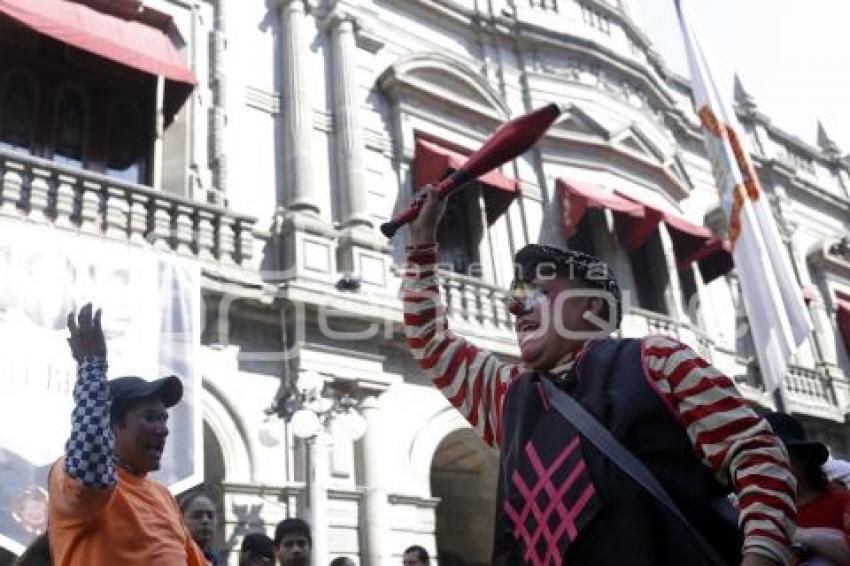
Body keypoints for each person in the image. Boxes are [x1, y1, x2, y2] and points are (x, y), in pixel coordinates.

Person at [402, 187, 797, 565]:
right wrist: (421, 245)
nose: (515, 309)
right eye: (515, 299)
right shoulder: (508, 396)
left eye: (536, 293)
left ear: (590, 307)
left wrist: (761, 556)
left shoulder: (658, 361)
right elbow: (430, 342)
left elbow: (756, 453)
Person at [47, 304, 206, 565]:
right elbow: (91, 473)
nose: (163, 428)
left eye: (164, 418)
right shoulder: (70, 477)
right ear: (113, 426)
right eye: (150, 418)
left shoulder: (164, 496)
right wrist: (92, 367)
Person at [763, 412, 850, 565]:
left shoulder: (841, 499)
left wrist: (802, 536)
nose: (765, 466)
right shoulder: (756, 515)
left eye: (775, 455)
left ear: (803, 458)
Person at [180, 490, 221, 565]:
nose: (205, 520)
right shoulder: (173, 558)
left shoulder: (214, 561)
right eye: (197, 516)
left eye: (210, 516)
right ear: (181, 521)